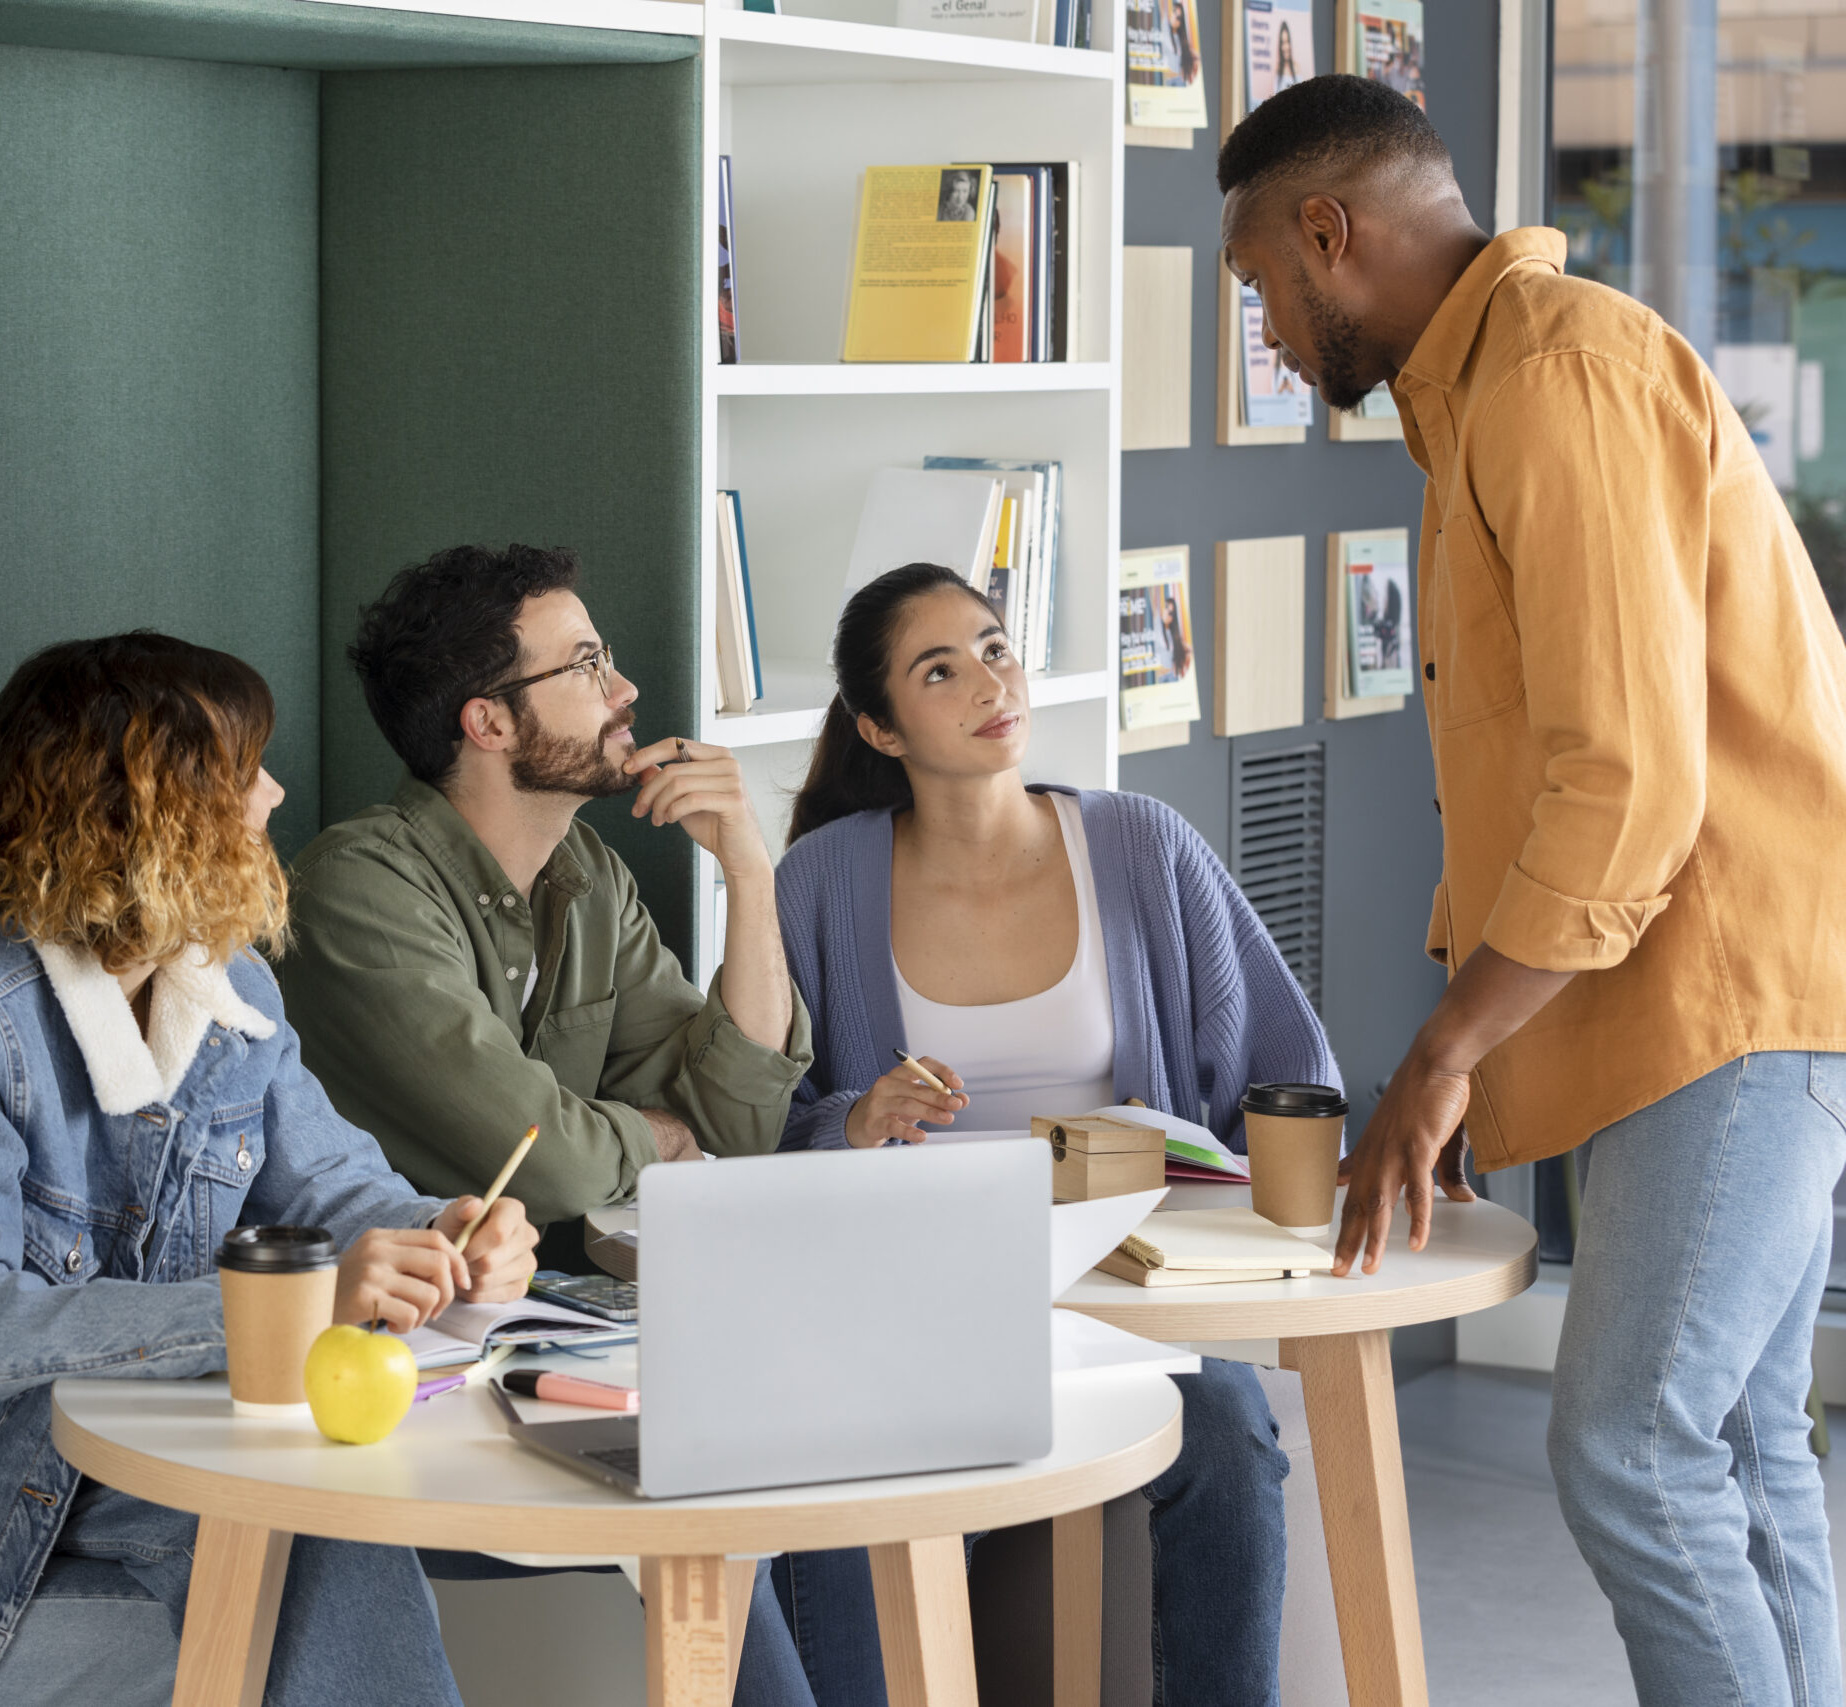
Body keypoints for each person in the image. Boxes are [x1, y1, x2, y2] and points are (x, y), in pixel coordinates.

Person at [1218, 75, 1846, 1704]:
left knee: (1634, 1443)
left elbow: (1623, 782)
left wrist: (1442, 1054)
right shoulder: (1493, 390)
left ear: (1328, 235)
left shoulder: (1559, 375)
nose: (1273, 338)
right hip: (1701, 990)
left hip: (1721, 993)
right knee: (1741, 1442)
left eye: (1263, 295)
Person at [0, 632, 541, 1705]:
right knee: (308, 1520)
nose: (272, 793)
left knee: (322, 1515)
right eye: (241, 771)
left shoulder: (228, 993)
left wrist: (442, 1232)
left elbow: (331, 1188)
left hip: (156, 1445)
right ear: (142, 804)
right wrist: (291, 1306)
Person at [276, 544, 887, 1707]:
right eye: (588, 666)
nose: (627, 696)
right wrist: (651, 1135)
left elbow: (737, 1118)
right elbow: (547, 1160)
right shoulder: (359, 890)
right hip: (421, 1384)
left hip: (582, 1342)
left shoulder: (590, 878)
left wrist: (750, 875)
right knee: (725, 1489)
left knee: (843, 1446)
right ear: (489, 724)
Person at [770, 563, 1330, 1707]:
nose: (989, 680)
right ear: (880, 727)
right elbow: (762, 1119)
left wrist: (1217, 1179)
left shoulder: (1139, 846)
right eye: (940, 670)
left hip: (1123, 1287)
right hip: (910, 1301)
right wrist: (856, 1117)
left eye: (992, 647)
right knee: (842, 1494)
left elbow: (1286, 1068)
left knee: (1226, 1430)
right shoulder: (818, 881)